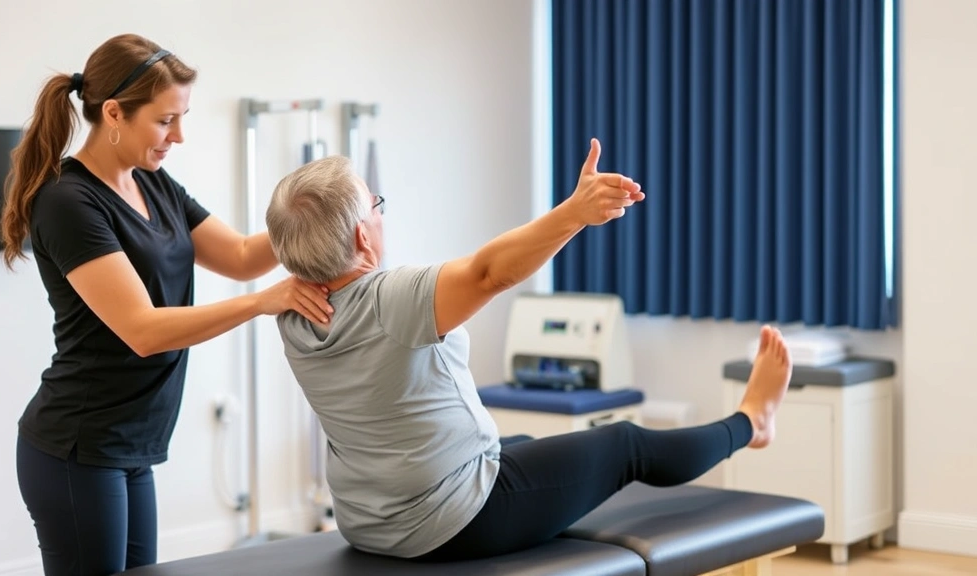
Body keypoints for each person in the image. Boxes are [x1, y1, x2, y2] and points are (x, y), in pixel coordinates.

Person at [264, 139, 794, 562]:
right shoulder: (389, 299)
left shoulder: (294, 316)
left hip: (366, 521)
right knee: (624, 444)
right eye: (376, 205)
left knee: (516, 439)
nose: (382, 215)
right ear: (362, 236)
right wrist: (575, 212)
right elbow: (491, 272)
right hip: (450, 523)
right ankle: (751, 422)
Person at [0, 34, 333, 576]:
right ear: (113, 113)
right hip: (78, 449)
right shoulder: (68, 201)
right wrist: (260, 304)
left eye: (182, 118)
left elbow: (246, 255)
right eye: (165, 120)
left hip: (132, 446)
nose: (179, 135)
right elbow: (143, 330)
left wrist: (316, 209)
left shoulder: (155, 183)